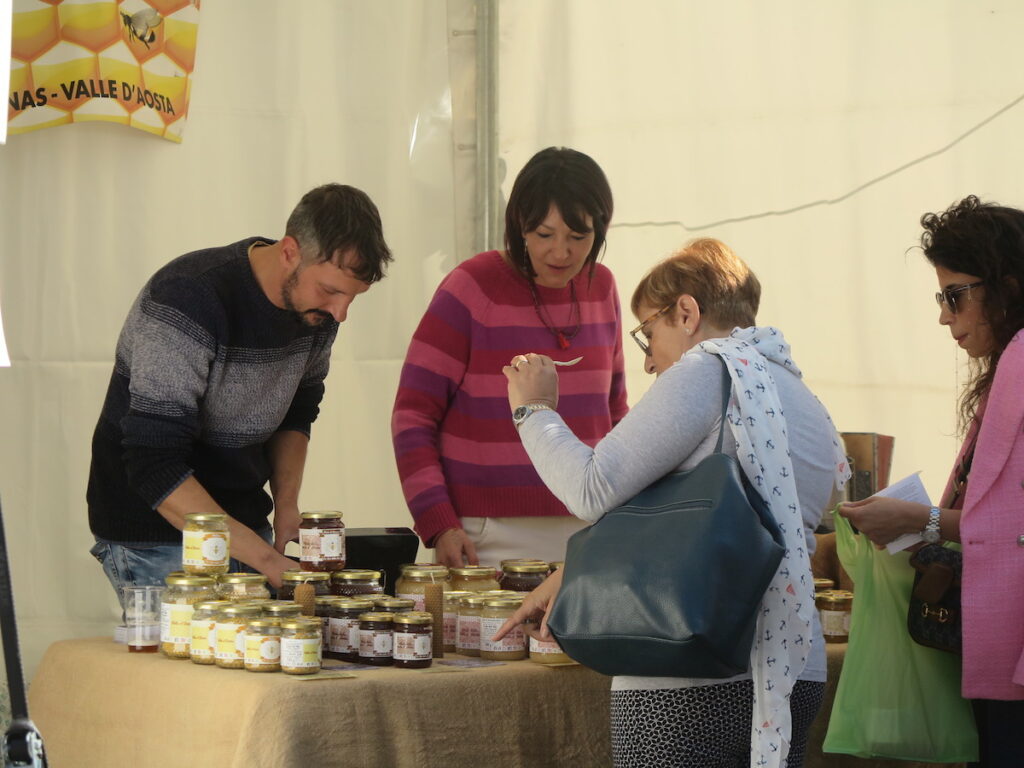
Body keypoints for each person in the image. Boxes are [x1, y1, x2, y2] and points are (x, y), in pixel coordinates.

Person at [494, 238, 850, 768]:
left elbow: (592, 488)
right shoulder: (800, 397)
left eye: (647, 334)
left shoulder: (705, 371)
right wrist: (572, 572)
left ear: (686, 312)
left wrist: (535, 411)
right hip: (791, 671)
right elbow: (726, 519)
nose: (647, 363)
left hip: (684, 673)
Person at [88, 183, 393, 599]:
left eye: (353, 297)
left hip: (245, 529)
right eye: (331, 291)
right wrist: (267, 561)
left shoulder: (316, 314)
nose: (341, 313)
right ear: (289, 252)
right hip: (157, 537)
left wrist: (287, 506)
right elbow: (153, 461)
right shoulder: (188, 298)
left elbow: (297, 412)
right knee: (186, 666)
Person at [840, 195, 1024, 768]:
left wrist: (918, 519)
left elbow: (1010, 527)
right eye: (940, 296)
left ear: (1006, 285)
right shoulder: (1008, 369)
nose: (944, 315)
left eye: (954, 295)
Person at [391, 147, 627, 568]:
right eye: (544, 234)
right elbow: (413, 416)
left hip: (588, 527)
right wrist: (439, 523)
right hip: (482, 535)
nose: (561, 252)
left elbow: (615, 413)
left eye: (579, 237)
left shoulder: (602, 287)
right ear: (519, 225)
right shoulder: (473, 287)